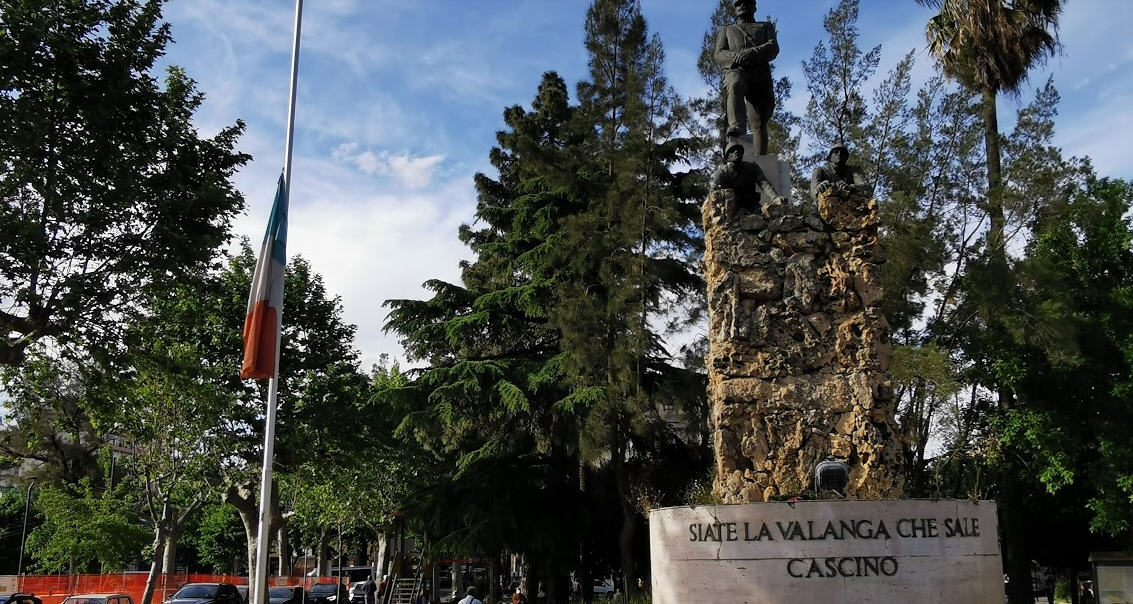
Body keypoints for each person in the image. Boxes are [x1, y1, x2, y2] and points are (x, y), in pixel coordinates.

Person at [714, 0, 779, 154]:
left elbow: (773, 47)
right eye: (738, 3)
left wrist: (753, 52)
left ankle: (760, 159)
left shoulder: (765, 27)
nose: (742, 6)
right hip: (736, 69)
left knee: (758, 120)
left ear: (754, 7)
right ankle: (736, 126)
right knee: (735, 84)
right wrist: (735, 56)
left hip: (759, 73)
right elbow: (719, 54)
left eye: (747, 3)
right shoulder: (727, 30)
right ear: (734, 8)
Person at [712, 142, 785, 211]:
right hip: (732, 208)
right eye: (732, 150)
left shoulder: (752, 168)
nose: (736, 152)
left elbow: (765, 184)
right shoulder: (722, 172)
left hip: (751, 205)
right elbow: (715, 195)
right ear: (727, 158)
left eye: (739, 150)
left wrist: (775, 198)